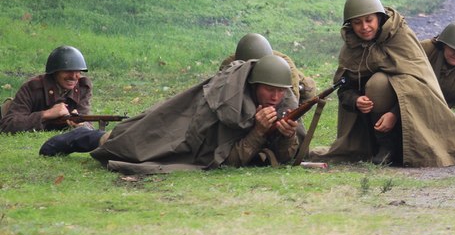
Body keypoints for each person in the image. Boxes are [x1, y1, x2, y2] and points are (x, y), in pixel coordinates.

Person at [39, 55, 305, 174]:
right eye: (269, 90)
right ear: (255, 85)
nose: (276, 97)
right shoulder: (231, 103)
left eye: (280, 91)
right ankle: (80, 137)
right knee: (127, 142)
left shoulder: (282, 105)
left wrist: (286, 136)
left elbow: (285, 157)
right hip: (184, 135)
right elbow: (227, 160)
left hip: (191, 147)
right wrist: (258, 132)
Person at [313, 0, 455, 167]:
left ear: (379, 18)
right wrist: (356, 100)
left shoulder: (400, 36)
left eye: (369, 20)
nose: (364, 27)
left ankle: (399, 147)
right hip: (370, 125)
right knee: (375, 85)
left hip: (411, 117)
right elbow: (344, 87)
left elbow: (419, 82)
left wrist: (394, 113)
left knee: (378, 83)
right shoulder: (352, 47)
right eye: (357, 23)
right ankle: (383, 145)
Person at [1, 45, 93, 133]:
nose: (73, 76)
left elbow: (87, 123)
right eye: (67, 71)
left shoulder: (82, 87)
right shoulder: (32, 88)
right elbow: (8, 125)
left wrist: (81, 124)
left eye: (77, 71)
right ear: (55, 72)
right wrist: (46, 114)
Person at [220, 32, 317, 104]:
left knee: (306, 89)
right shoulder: (229, 67)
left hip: (296, 84)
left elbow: (292, 100)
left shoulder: (286, 68)